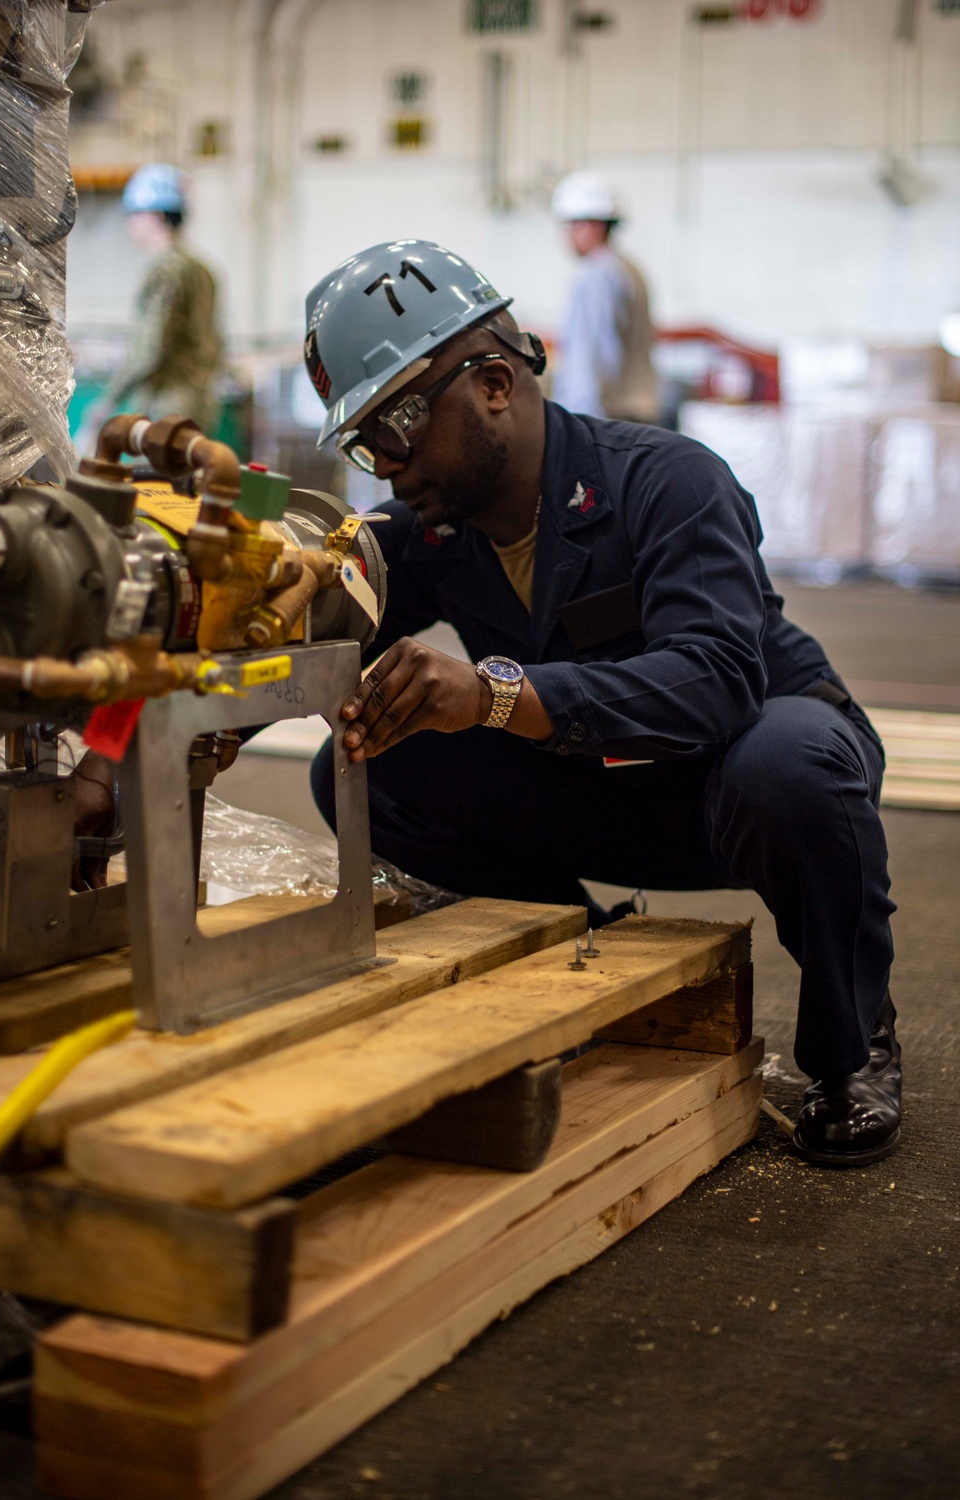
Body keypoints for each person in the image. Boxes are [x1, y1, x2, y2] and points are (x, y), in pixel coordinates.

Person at [303, 239, 900, 1169]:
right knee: (369, 761)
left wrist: (497, 693)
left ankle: (852, 1046)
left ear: (495, 381)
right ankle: (590, 958)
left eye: (400, 426)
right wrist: (118, 761)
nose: (386, 465)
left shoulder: (665, 479)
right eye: (364, 441)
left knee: (793, 767)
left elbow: (715, 682)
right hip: (603, 788)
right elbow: (300, 636)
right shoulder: (428, 528)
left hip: (735, 778)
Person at [89, 164, 222, 438]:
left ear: (157, 216)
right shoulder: (204, 270)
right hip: (202, 405)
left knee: (155, 481)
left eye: (135, 215)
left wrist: (107, 402)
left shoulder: (164, 272)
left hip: (167, 408)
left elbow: (149, 351)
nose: (130, 225)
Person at [550, 170, 659, 425]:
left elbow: (592, 356)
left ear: (595, 226)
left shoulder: (595, 275)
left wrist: (576, 424)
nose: (568, 236)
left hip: (603, 418)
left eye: (574, 226)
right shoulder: (629, 268)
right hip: (636, 413)